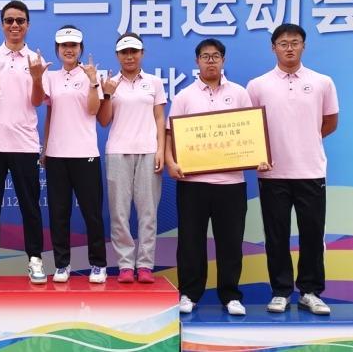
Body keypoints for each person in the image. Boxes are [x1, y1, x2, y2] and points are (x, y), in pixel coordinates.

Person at [165, 38, 270, 317]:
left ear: (223, 60)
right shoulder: (185, 96)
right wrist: (171, 162)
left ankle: (231, 295)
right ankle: (189, 294)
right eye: (205, 56)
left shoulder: (239, 93)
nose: (210, 61)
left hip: (231, 184)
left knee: (230, 242)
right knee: (191, 242)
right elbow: (170, 134)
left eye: (215, 56)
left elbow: (251, 132)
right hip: (193, 184)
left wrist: (258, 156)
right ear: (197, 61)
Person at [247, 23, 338, 315]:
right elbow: (250, 128)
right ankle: (281, 291)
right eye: (283, 43)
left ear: (303, 46)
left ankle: (310, 292)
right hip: (272, 173)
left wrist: (304, 140)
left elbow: (330, 122)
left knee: (312, 234)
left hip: (311, 171)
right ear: (273, 47)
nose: (289, 48)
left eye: (295, 42)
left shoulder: (322, 82)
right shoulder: (257, 85)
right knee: (276, 235)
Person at [0, 0, 47, 284]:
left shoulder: (35, 59)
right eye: (9, 20)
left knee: (31, 205)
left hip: (24, 144)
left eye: (20, 21)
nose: (14, 25)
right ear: (2, 24)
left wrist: (37, 78)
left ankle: (35, 259)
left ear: (28, 25)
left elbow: (37, 101)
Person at [97, 33, 166, 284]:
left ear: (142, 53)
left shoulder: (154, 82)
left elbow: (160, 118)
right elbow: (104, 121)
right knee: (119, 212)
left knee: (148, 212)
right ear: (117, 56)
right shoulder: (110, 83)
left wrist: (161, 149)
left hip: (148, 151)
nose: (129, 56)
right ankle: (125, 264)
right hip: (118, 151)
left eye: (134, 51)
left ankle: (145, 264)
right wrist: (106, 95)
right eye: (124, 52)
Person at [43, 25, 107, 283]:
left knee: (92, 213)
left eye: (73, 46)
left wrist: (92, 81)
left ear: (81, 48)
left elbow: (93, 110)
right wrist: (45, 147)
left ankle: (98, 264)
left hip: (85, 153)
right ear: (57, 49)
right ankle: (62, 264)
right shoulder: (50, 77)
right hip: (57, 154)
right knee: (59, 213)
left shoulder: (91, 75)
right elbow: (50, 113)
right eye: (64, 46)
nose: (68, 50)